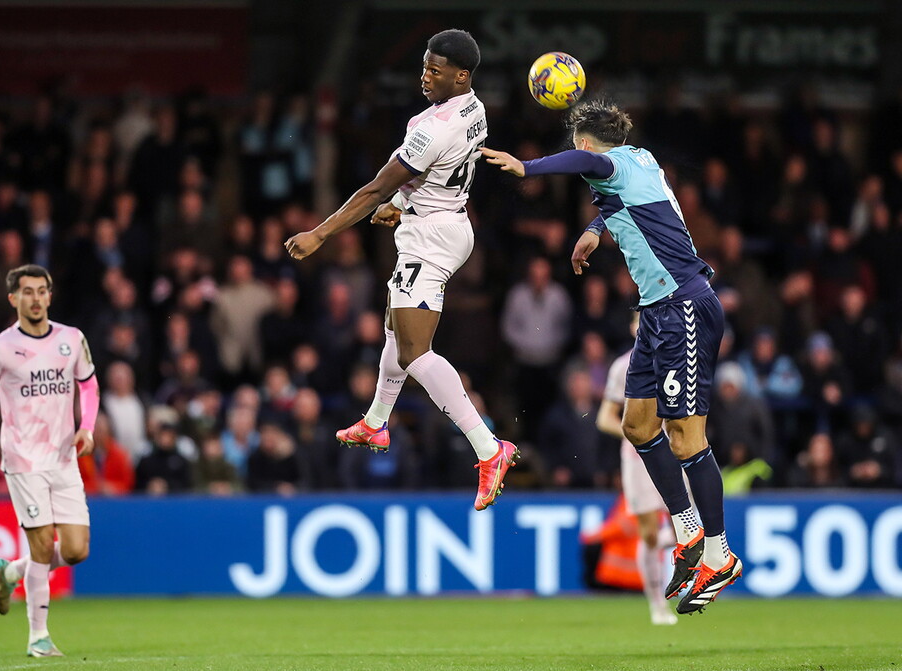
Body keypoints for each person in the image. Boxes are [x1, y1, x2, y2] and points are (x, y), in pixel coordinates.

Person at [482, 99, 740, 614]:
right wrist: (593, 232)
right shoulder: (642, 160)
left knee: (687, 436)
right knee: (639, 426)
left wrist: (527, 166)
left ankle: (719, 552)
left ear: (582, 141)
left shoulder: (610, 162)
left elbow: (593, 166)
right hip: (656, 313)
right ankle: (688, 532)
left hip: (683, 305)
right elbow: (616, 202)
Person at [284, 29, 518, 510]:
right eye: (425, 67)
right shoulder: (473, 108)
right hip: (445, 221)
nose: (425, 77)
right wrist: (401, 202)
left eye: (435, 70)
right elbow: (429, 175)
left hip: (431, 237)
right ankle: (375, 421)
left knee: (414, 351)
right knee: (395, 328)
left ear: (462, 75)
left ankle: (489, 448)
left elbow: (372, 189)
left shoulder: (432, 128)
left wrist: (320, 234)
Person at [0, 264, 99, 657]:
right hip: (23, 458)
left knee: (76, 550)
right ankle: (38, 638)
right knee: (42, 545)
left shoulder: (71, 339)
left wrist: (86, 427)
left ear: (50, 296)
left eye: (42, 291)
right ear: (14, 299)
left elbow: (88, 386)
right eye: (28, 292)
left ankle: (11, 573)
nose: (36, 298)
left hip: (63, 457)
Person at [596, 314, 678, 625]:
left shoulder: (677, 358)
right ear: (633, 328)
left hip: (674, 452)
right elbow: (605, 417)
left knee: (682, 525)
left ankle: (688, 581)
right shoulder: (622, 366)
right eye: (640, 321)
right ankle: (657, 603)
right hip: (638, 456)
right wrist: (639, 432)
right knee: (648, 534)